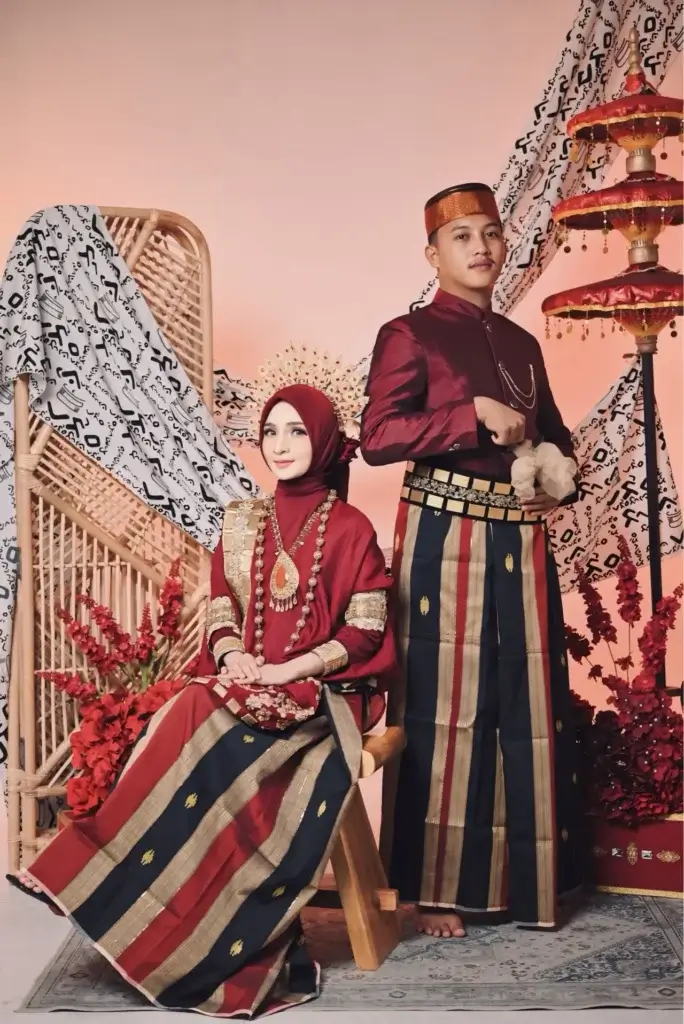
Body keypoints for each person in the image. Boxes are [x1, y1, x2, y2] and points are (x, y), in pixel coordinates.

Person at [7, 362, 395, 1017]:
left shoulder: (352, 528)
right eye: (270, 431)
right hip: (243, 683)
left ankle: (207, 937)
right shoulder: (243, 521)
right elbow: (219, 605)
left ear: (325, 441)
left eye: (297, 432)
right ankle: (95, 880)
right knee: (192, 705)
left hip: (322, 697)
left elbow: (365, 630)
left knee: (202, 715)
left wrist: (285, 672)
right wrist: (234, 654)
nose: (279, 445)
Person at [361, 183, 582, 939]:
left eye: (490, 233)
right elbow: (378, 437)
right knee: (444, 710)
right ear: (433, 254)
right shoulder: (410, 333)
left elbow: (557, 435)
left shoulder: (521, 343)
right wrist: (470, 415)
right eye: (462, 237)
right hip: (444, 541)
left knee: (525, 706)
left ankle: (528, 886)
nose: (481, 248)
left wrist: (559, 477)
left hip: (520, 539)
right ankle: (434, 890)